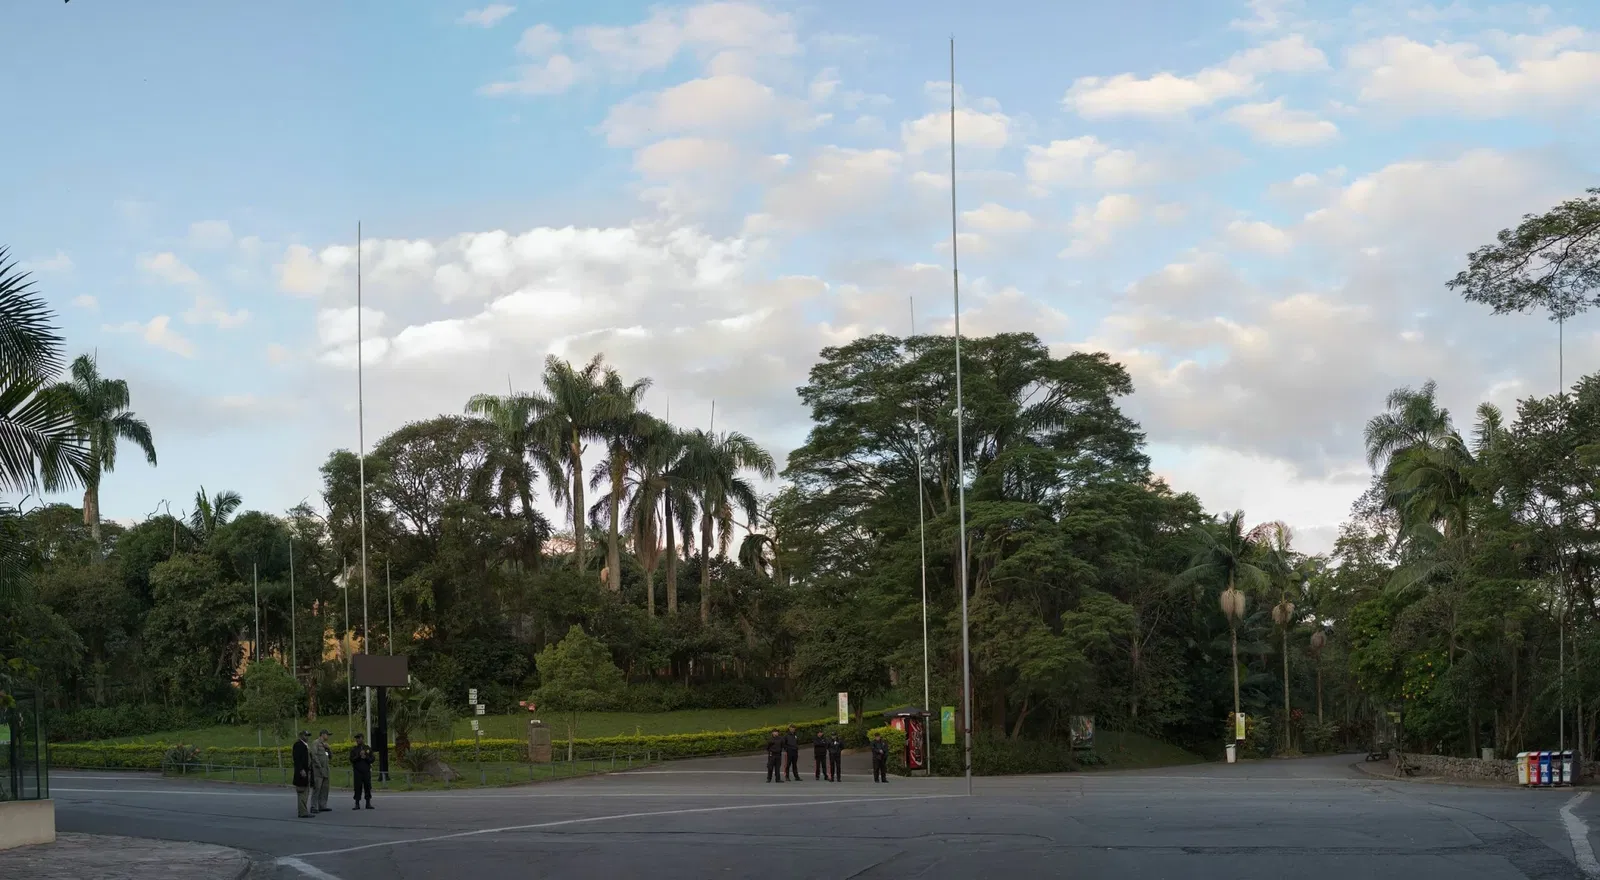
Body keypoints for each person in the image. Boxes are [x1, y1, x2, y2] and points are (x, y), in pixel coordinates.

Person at [292, 730, 315, 818]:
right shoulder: (298, 745)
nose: (307, 737)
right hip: (302, 773)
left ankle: (303, 811)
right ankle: (303, 812)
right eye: (305, 735)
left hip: (307, 772)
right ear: (301, 736)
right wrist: (301, 769)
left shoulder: (305, 745)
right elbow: (297, 759)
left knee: (306, 792)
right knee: (302, 792)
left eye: (308, 735)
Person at [350, 733, 375, 809]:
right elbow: (352, 759)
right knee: (357, 787)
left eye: (359, 738)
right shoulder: (354, 749)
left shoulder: (367, 748)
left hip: (366, 771)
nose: (357, 740)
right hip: (357, 772)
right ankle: (357, 803)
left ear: (362, 738)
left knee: (367, 787)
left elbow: (372, 759)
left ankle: (368, 803)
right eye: (356, 738)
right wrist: (359, 756)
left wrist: (366, 757)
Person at [312, 729, 333, 813]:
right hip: (318, 770)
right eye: (327, 735)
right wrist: (319, 766)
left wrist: (329, 749)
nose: (328, 736)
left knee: (325, 788)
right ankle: (314, 806)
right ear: (323, 734)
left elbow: (331, 757)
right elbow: (314, 755)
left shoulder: (326, 745)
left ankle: (322, 805)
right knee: (317, 788)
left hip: (326, 769)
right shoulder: (316, 743)